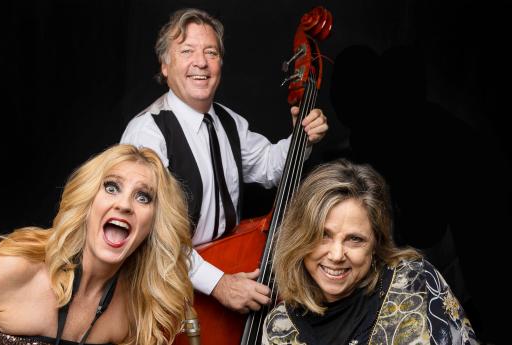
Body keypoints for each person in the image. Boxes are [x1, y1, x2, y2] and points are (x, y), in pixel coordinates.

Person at [120, 8, 328, 313]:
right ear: (165, 65)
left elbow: (270, 166)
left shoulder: (228, 122)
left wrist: (302, 137)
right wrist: (217, 283)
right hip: (165, 282)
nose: (201, 62)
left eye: (211, 52)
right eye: (187, 51)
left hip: (227, 261)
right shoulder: (148, 132)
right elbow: (149, 232)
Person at [0, 144, 193, 345]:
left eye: (143, 197)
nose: (124, 205)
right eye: (112, 187)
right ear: (87, 201)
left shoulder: (137, 308)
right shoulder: (17, 267)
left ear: (154, 223)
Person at [263, 159, 478, 345]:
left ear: (376, 244)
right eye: (323, 235)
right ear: (299, 237)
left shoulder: (414, 282)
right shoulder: (279, 328)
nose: (337, 255)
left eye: (355, 239)